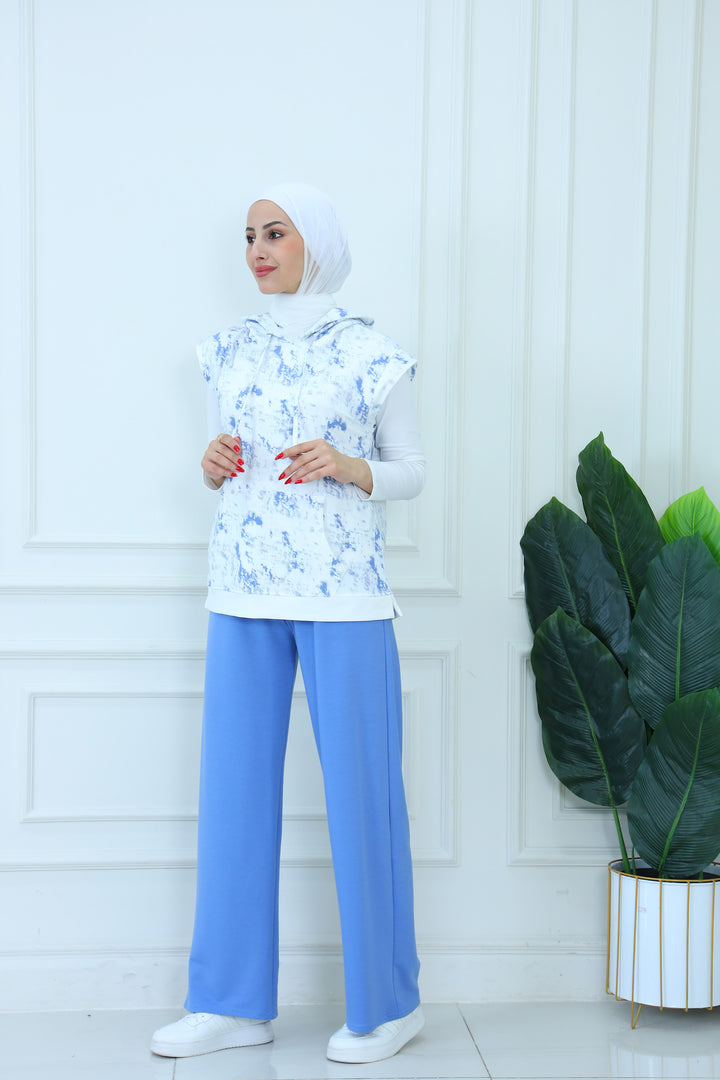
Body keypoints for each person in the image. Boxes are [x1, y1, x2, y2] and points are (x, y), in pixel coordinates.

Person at [150, 183, 425, 1065]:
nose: (258, 250)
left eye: (276, 234)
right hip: (243, 590)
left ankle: (387, 1008)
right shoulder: (225, 350)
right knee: (233, 800)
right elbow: (219, 466)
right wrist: (210, 462)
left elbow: (412, 470)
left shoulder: (374, 354)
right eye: (250, 236)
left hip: (346, 597)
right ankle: (231, 1004)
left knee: (364, 800)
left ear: (319, 245)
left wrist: (349, 464)